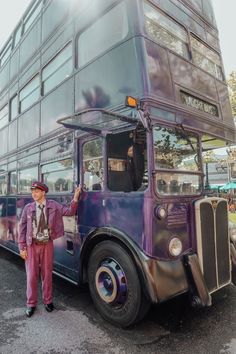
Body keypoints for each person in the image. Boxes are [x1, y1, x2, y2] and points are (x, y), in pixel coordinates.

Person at [18, 181, 81, 318]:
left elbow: (69, 212)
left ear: (43, 192)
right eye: (32, 191)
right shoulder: (28, 208)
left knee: (47, 274)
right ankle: (31, 304)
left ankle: (48, 301)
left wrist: (75, 198)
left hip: (47, 244)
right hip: (31, 245)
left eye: (36, 191)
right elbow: (22, 228)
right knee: (31, 276)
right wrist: (22, 247)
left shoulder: (53, 205)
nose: (33, 194)